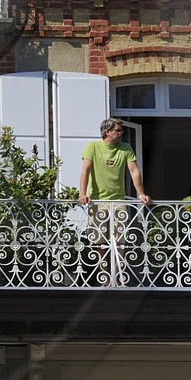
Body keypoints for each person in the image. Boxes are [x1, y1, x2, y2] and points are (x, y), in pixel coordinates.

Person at [77, 118, 151, 284]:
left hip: (118, 201)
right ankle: (105, 278)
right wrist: (83, 194)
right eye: (117, 130)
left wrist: (141, 194)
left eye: (121, 130)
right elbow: (85, 171)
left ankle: (115, 277)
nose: (120, 133)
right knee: (100, 241)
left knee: (120, 241)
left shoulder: (125, 148)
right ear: (107, 132)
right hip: (97, 201)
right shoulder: (93, 147)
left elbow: (134, 171)